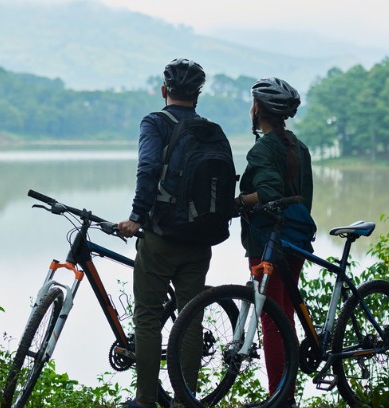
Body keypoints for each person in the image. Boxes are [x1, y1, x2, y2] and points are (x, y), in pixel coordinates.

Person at [117, 58, 214, 408]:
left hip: (161, 237)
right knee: (190, 318)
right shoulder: (208, 128)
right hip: (200, 239)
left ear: (164, 91)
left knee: (147, 317)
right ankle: (184, 400)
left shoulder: (155, 122)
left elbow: (148, 169)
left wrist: (136, 216)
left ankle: (145, 401)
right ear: (198, 94)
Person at [236, 77, 312, 408]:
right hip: (296, 238)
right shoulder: (299, 146)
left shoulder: (263, 149)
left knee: (271, 318)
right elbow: (305, 197)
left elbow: (267, 193)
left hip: (268, 242)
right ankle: (286, 395)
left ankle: (278, 399)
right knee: (284, 316)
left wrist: (237, 202)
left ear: (259, 110)